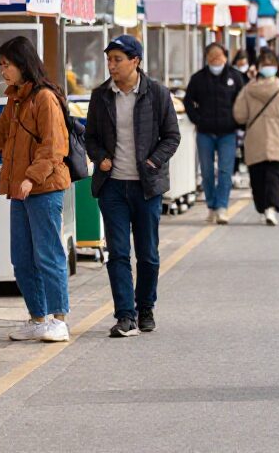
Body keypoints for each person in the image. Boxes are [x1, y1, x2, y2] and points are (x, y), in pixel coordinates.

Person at [0, 37, 71, 343]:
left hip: (44, 188)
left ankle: (59, 319)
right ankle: (37, 318)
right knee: (21, 258)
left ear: (23, 64)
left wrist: (32, 178)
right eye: (1, 66)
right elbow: (1, 136)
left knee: (47, 255)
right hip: (22, 190)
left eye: (7, 65)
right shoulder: (16, 99)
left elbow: (54, 146)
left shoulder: (45, 98)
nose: (3, 71)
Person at [85, 34, 180, 338]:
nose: (111, 65)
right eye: (109, 60)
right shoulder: (101, 96)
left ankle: (146, 307)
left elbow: (171, 136)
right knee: (118, 253)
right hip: (112, 187)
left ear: (135, 61)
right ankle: (125, 315)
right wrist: (99, 157)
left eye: (118, 60)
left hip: (146, 186)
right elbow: (91, 137)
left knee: (148, 254)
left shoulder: (157, 94)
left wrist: (153, 162)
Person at [233, 49, 279, 226]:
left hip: (255, 139)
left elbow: (239, 114)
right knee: (274, 176)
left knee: (257, 176)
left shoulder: (248, 89)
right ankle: (272, 208)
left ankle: (262, 207)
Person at [183, 43, 245, 225]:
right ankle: (211, 205)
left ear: (225, 57)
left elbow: (243, 100)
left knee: (226, 171)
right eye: (212, 57)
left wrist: (238, 121)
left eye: (219, 57)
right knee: (207, 171)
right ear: (207, 58)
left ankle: (222, 207)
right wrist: (197, 119)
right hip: (205, 132)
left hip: (228, 132)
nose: (216, 60)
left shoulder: (235, 76)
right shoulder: (198, 78)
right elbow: (188, 101)